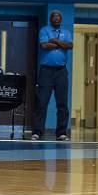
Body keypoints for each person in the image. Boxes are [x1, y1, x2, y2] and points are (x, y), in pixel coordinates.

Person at [30, 10, 73, 141]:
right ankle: (37, 132)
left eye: (58, 17)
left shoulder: (66, 32)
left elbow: (70, 45)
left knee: (62, 103)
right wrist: (61, 44)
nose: (56, 18)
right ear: (50, 19)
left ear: (61, 19)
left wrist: (54, 41)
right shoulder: (44, 30)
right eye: (53, 17)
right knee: (41, 102)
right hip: (46, 71)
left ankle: (61, 133)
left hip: (61, 71)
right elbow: (44, 45)